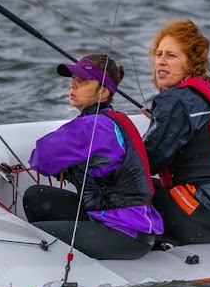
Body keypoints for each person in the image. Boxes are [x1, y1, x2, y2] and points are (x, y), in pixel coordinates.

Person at [24, 54, 163, 259]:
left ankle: (56, 266)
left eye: (82, 81)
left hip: (126, 232)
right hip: (104, 216)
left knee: (33, 237)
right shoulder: (108, 119)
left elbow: (42, 159)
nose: (73, 85)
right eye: (73, 79)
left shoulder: (96, 126)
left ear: (103, 92)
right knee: (36, 197)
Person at [143, 19, 210, 246]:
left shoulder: (176, 100)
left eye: (171, 55)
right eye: (158, 54)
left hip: (199, 218)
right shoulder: (209, 94)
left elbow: (146, 162)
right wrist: (161, 123)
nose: (161, 61)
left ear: (191, 63)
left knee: (123, 186)